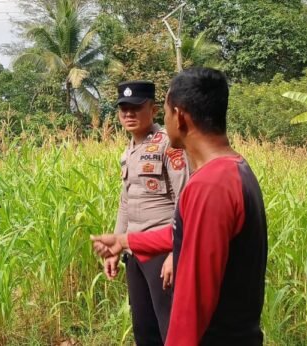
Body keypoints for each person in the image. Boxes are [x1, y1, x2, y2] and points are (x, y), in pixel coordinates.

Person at [91, 68, 268, 345]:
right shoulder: (233, 170)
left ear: (180, 116)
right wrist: (124, 241)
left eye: (165, 112)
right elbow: (185, 233)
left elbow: (193, 303)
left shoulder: (210, 186)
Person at [109, 80, 189, 345]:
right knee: (144, 329)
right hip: (134, 252)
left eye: (136, 108)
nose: (129, 114)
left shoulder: (168, 145)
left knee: (170, 328)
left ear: (153, 110)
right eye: (124, 109)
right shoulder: (128, 152)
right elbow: (125, 202)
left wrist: (175, 253)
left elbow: (184, 200)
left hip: (161, 253)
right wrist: (115, 246)